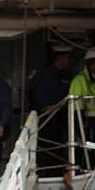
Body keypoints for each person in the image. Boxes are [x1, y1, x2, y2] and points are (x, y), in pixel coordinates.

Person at [26, 44, 74, 175]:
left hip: (60, 118)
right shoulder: (42, 72)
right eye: (68, 58)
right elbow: (28, 91)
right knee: (42, 149)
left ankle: (56, 174)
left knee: (58, 149)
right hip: (42, 118)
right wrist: (36, 109)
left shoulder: (68, 76)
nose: (70, 62)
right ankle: (42, 175)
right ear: (61, 58)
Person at [70, 47, 95, 165]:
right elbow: (75, 111)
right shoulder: (79, 80)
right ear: (90, 64)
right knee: (88, 151)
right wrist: (78, 134)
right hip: (86, 125)